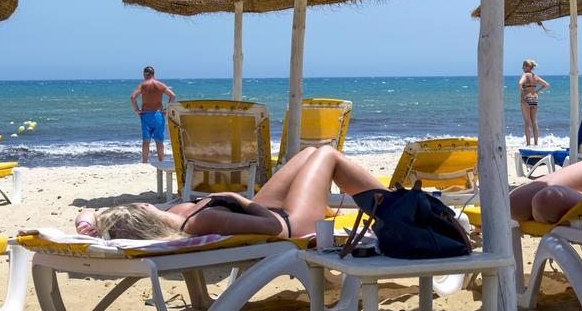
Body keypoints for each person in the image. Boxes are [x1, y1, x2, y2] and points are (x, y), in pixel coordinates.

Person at [75, 146, 379, 240]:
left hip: (263, 210)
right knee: (327, 155)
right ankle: (397, 205)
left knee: (310, 152)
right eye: (140, 207)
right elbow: (274, 229)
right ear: (145, 217)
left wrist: (89, 224)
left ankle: (394, 202)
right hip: (290, 223)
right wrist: (237, 199)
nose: (141, 203)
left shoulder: (172, 216)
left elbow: (88, 212)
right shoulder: (197, 223)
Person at [130, 66, 176, 163]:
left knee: (146, 141)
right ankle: (161, 161)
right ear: (153, 74)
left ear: (145, 74)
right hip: (158, 115)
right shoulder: (160, 85)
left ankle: (145, 162)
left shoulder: (143, 85)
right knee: (159, 142)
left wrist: (137, 110)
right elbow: (172, 95)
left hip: (146, 115)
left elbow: (133, 97)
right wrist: (167, 109)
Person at [518, 59, 550, 146]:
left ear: (527, 67)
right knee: (534, 122)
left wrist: (523, 93)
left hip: (527, 97)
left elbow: (520, 83)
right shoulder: (535, 76)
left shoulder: (525, 75)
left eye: (523, 66)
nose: (522, 67)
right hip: (534, 98)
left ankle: (528, 144)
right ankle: (536, 143)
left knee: (527, 122)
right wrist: (537, 91)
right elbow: (546, 84)